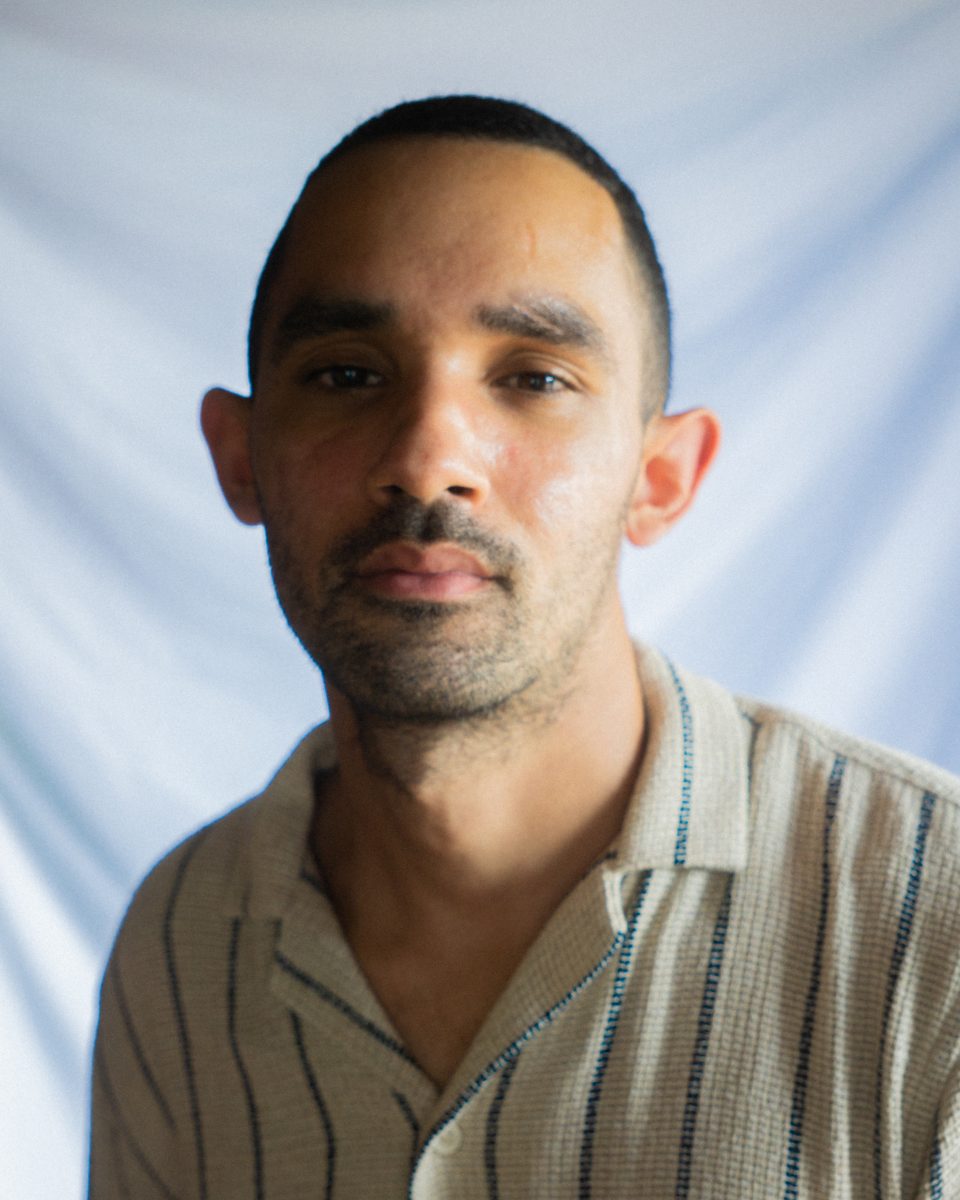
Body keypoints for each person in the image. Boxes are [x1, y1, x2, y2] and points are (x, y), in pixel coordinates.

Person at [89, 95, 960, 1199]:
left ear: (661, 477)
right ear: (239, 456)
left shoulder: (938, 932)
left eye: (534, 377)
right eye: (348, 374)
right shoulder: (179, 945)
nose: (427, 458)